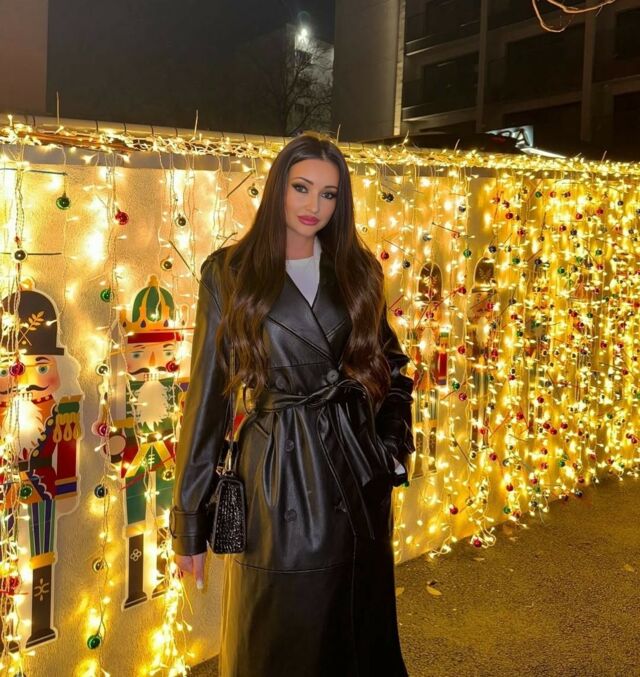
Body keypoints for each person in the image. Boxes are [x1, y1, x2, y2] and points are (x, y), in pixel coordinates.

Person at [170, 133, 415, 677]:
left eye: (329, 194)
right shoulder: (229, 272)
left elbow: (392, 368)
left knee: (355, 637)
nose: (313, 206)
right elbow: (207, 400)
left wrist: (391, 449)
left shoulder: (358, 269)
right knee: (277, 640)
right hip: (276, 477)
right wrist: (189, 521)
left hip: (355, 469)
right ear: (278, 186)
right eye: (302, 188)